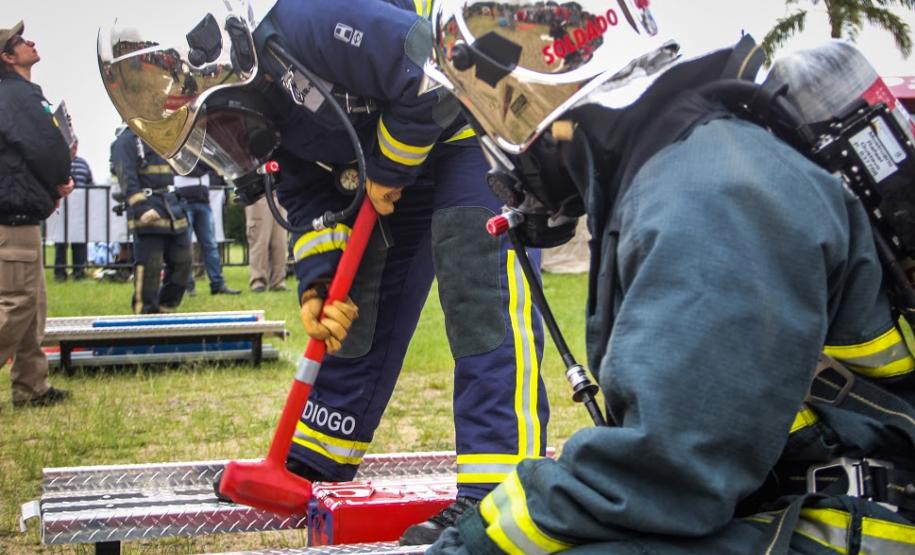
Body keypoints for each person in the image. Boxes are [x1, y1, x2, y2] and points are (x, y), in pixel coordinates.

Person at [422, 2, 915, 553]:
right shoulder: (683, 168)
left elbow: (669, 471)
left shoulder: (709, 196)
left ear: (521, 98)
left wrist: (472, 545)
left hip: (864, 528)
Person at [97, 0, 550, 544]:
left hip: (472, 122)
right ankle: (317, 458)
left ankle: (495, 493)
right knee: (353, 301)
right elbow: (309, 202)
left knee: (482, 299)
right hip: (399, 154)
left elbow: (426, 65)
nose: (227, 143)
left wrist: (389, 167)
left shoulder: (306, 21)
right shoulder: (267, 108)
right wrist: (317, 285)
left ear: (217, 69)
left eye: (217, 125)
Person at [0, 20, 72, 407]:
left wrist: (51, 185)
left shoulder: (16, 95)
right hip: (12, 218)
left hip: (20, 215)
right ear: (7, 57)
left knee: (32, 306)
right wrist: (62, 176)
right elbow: (45, 148)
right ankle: (30, 386)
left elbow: (26, 154)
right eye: (20, 42)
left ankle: (31, 385)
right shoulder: (16, 95)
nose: (31, 42)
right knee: (17, 304)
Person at [110, 127, 191, 314]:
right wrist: (141, 208)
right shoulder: (125, 141)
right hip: (148, 210)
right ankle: (145, 315)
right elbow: (126, 178)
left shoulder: (160, 135)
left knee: (183, 262)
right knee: (150, 268)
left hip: (173, 208)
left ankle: (166, 309)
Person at [174, 167, 241, 296]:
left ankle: (216, 284)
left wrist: (202, 168)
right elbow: (186, 168)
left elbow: (205, 166)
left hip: (202, 200)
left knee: (209, 245)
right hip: (184, 200)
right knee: (186, 245)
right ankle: (188, 285)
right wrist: (203, 169)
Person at [54, 139, 93, 282]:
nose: (74, 148)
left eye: (76, 146)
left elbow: (91, 185)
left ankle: (79, 272)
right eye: (72, 145)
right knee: (61, 244)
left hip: (80, 212)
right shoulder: (57, 163)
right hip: (62, 211)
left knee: (79, 243)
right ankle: (59, 274)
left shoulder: (83, 164)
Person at [244, 193, 288, 293]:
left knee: (280, 243)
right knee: (260, 242)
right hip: (258, 196)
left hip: (279, 196)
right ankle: (258, 281)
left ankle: (278, 281)